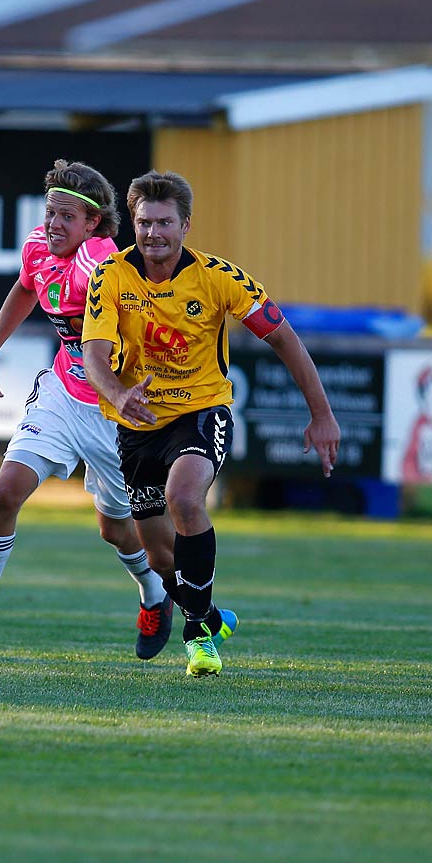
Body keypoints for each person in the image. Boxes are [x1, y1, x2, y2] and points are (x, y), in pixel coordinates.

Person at [82, 171, 340, 676]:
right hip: (136, 421)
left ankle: (198, 637)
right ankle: (209, 615)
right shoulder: (110, 276)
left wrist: (322, 414)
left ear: (186, 225)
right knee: (159, 557)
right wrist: (116, 393)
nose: (153, 233)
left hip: (202, 410)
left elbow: (284, 338)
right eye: (143, 222)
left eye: (164, 222)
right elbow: (93, 353)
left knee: (184, 498)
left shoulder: (219, 277)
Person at [0, 161, 174, 660]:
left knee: (116, 529)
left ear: (93, 224)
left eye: (67, 216)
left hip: (118, 414)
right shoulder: (38, 248)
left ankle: (158, 595)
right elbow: (27, 286)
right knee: (5, 492)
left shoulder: (102, 261)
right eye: (50, 212)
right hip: (64, 393)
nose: (54, 224)